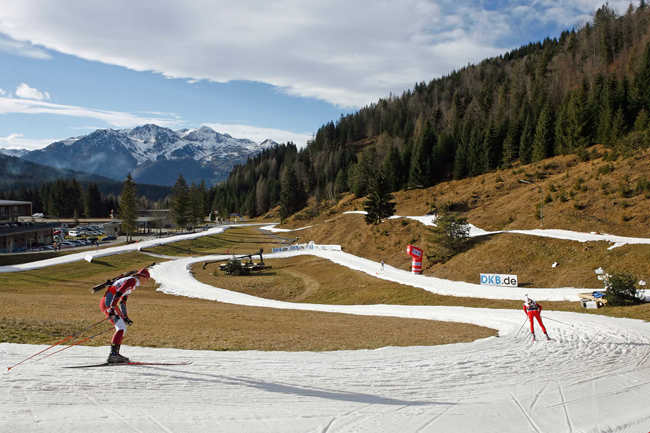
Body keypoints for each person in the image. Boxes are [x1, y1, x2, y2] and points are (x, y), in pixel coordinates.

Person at [99, 267, 150, 363]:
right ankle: (113, 355)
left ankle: (114, 354)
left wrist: (125, 317)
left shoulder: (131, 282)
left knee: (122, 327)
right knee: (121, 327)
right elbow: (118, 293)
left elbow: (123, 302)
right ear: (142, 277)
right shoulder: (132, 281)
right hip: (108, 303)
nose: (146, 281)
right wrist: (112, 308)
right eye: (147, 279)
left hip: (110, 303)